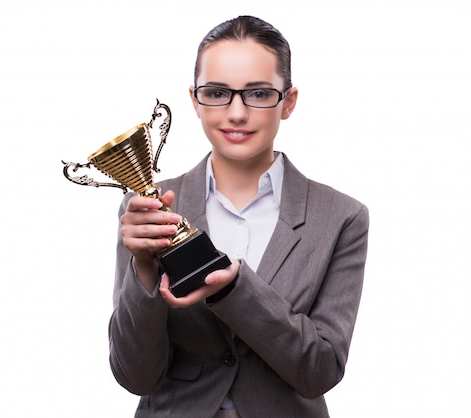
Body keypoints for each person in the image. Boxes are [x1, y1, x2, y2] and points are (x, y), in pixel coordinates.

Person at [108, 15, 369, 418]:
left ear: (289, 102)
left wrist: (233, 290)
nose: (236, 113)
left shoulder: (341, 217)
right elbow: (135, 376)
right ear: (194, 100)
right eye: (216, 92)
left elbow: (320, 370)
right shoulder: (147, 209)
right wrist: (142, 268)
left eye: (259, 93)